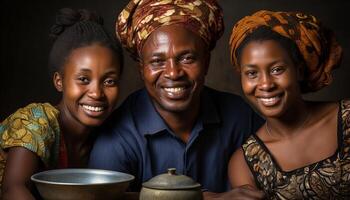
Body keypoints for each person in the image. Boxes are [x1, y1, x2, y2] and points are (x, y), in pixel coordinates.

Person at [89, 0, 264, 199]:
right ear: (141, 69)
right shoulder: (117, 138)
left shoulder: (239, 117)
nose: (173, 73)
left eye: (187, 58)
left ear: (206, 62)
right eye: (157, 61)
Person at [0, 8, 123, 199]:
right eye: (83, 79)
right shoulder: (36, 122)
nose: (97, 93)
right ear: (59, 81)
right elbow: (13, 188)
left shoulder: (108, 136)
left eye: (109, 81)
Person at [228, 10, 349, 199]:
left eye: (277, 69)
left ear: (299, 71)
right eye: (252, 73)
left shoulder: (346, 118)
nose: (266, 84)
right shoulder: (245, 162)